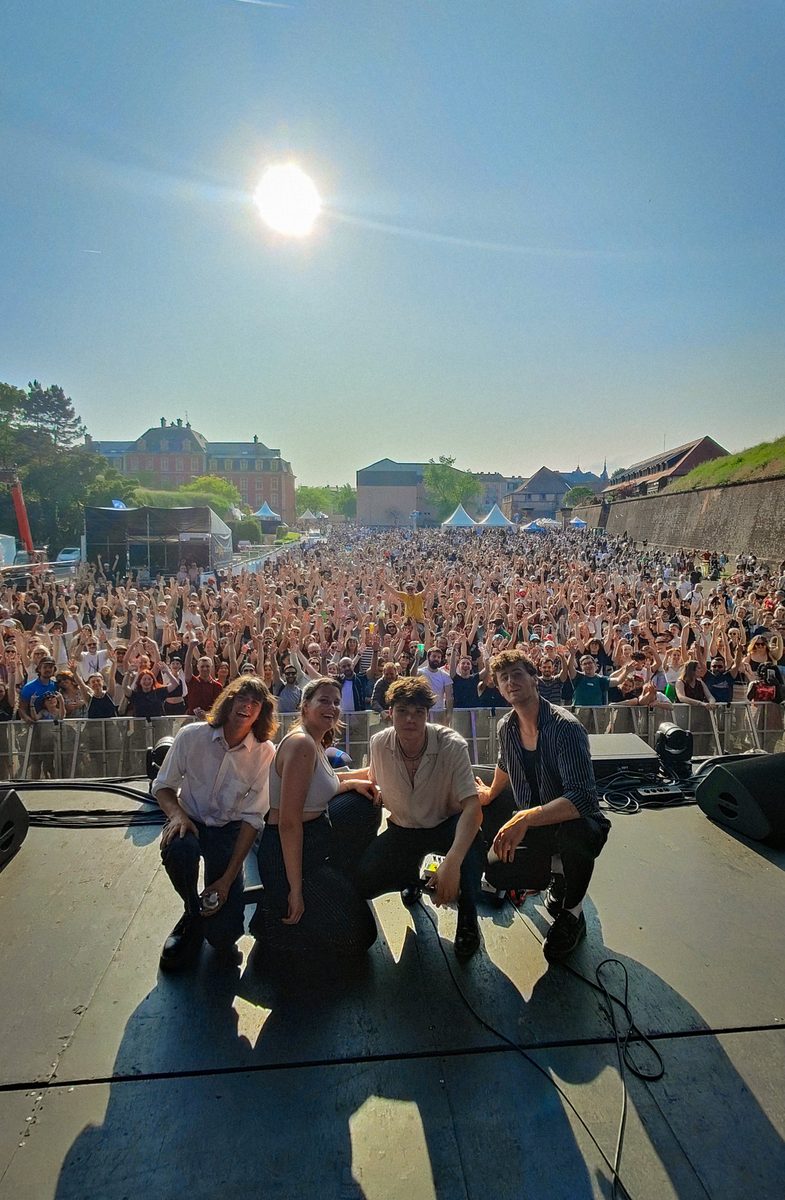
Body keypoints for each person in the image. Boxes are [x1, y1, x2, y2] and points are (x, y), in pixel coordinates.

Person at [475, 650, 610, 962]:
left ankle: (573, 912)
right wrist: (491, 793)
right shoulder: (506, 727)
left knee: (576, 833)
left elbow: (583, 798)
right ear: (498, 687)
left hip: (573, 823)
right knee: (496, 873)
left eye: (517, 674)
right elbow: (504, 765)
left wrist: (524, 817)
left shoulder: (566, 728)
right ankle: (558, 872)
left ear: (534, 678)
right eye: (503, 677)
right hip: (536, 824)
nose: (511, 682)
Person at [151, 675, 278, 971]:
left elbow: (252, 820)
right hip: (191, 820)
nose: (246, 706)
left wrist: (226, 880)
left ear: (261, 713)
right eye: (241, 698)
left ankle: (212, 905)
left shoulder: (265, 753)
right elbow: (163, 786)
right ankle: (191, 912)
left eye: (254, 703)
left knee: (224, 938)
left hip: (229, 830)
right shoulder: (191, 736)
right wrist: (177, 815)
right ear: (228, 701)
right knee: (179, 848)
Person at [353, 676, 484, 961]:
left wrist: (452, 862)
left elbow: (473, 809)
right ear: (390, 713)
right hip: (402, 829)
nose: (410, 719)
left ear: (428, 714)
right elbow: (371, 776)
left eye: (418, 713)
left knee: (470, 856)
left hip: (445, 825)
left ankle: (468, 919)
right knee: (364, 880)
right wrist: (329, 780)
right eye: (402, 711)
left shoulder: (452, 745)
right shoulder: (378, 743)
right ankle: (409, 878)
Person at [256, 676, 380, 956]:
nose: (333, 707)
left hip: (315, 839)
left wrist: (354, 782)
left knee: (365, 804)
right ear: (305, 706)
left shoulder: (315, 741)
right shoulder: (301, 745)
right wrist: (295, 889)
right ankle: (275, 919)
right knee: (359, 936)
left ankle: (331, 885)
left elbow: (324, 782)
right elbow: (288, 823)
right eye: (324, 700)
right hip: (289, 853)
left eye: (336, 702)